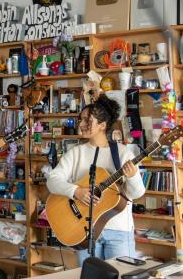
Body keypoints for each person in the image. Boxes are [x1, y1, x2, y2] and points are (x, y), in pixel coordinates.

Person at [46, 95, 145, 266]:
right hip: (84, 230)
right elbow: (52, 180)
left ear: (102, 125)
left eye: (87, 120)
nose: (81, 124)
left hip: (119, 231)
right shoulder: (75, 153)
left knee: (122, 276)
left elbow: (136, 194)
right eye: (81, 119)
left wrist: (133, 176)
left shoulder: (123, 154)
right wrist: (76, 191)